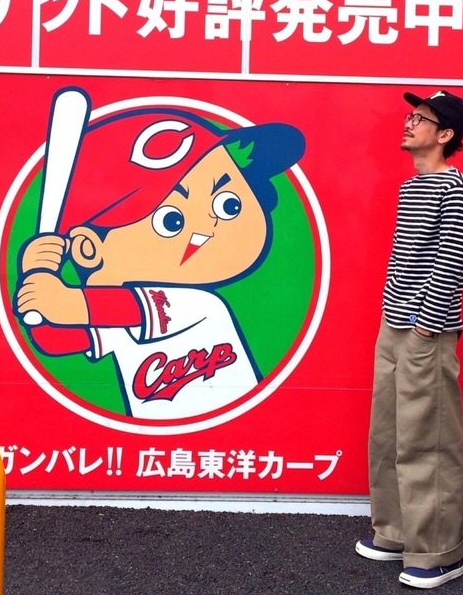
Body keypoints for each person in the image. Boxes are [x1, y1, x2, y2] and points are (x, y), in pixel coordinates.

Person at [15, 96, 305, 419]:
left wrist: (52, 296)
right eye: (172, 221)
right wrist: (35, 277)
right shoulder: (117, 320)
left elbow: (94, 308)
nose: (207, 228)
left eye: (228, 204)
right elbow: (55, 340)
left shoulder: (197, 305)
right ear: (88, 249)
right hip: (160, 441)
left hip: (235, 434)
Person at [356, 90, 463, 589]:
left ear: (445, 134)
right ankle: (395, 531)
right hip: (395, 326)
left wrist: (425, 325)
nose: (408, 124)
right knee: (387, 433)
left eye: (420, 119)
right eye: (410, 116)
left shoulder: (456, 188)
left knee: (428, 439)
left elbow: (451, 262)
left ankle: (438, 551)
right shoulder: (414, 185)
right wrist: (394, 318)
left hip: (426, 331)